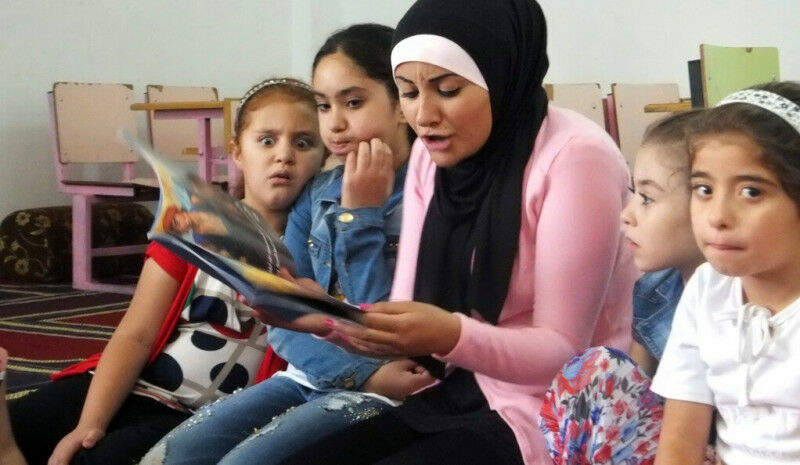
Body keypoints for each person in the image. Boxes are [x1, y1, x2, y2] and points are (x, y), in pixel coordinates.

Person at [270, 1, 639, 464]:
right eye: (407, 92)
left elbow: (562, 353)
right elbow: (404, 316)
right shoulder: (432, 155)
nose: (423, 116)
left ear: (501, 76)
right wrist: (319, 318)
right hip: (456, 388)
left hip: (557, 412)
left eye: (447, 90)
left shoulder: (576, 158)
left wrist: (448, 334)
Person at [139, 24, 428, 465]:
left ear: (402, 103)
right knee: (169, 458)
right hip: (317, 374)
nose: (334, 122)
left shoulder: (430, 195)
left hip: (398, 392)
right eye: (323, 105)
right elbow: (283, 316)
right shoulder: (316, 193)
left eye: (353, 102)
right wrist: (362, 374)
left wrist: (361, 216)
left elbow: (385, 322)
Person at [4, 77, 325, 465]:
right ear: (237, 152)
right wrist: (90, 424)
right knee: (25, 421)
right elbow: (137, 334)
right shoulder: (193, 226)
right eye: (267, 140)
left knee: (104, 460)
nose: (284, 155)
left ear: (324, 157)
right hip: (135, 384)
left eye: (304, 143)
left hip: (199, 418)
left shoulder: (320, 248)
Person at [539, 110, 715, 465]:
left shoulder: (745, 300)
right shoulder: (653, 290)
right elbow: (636, 388)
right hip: (670, 444)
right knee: (596, 370)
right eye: (634, 192)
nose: (627, 214)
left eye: (647, 199)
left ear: (707, 202)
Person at [652, 81, 800, 465]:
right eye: (703, 189)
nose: (717, 217)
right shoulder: (707, 287)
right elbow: (682, 436)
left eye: (751, 192)